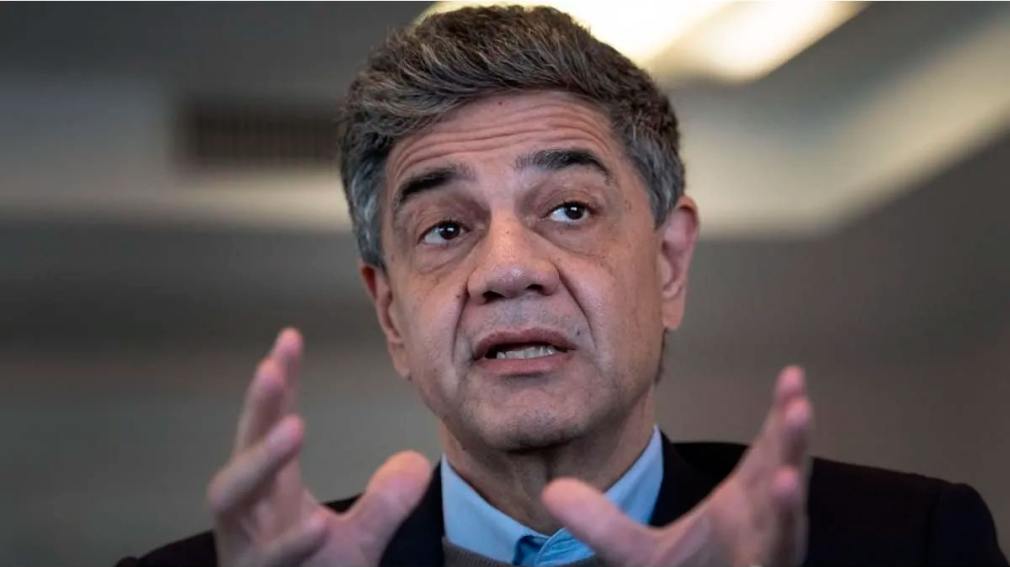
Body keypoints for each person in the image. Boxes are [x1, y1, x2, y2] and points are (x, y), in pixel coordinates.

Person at [117, 6, 1006, 567]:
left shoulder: (911, 541)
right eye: (446, 228)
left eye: (571, 209)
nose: (508, 268)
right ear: (391, 313)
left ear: (668, 261)